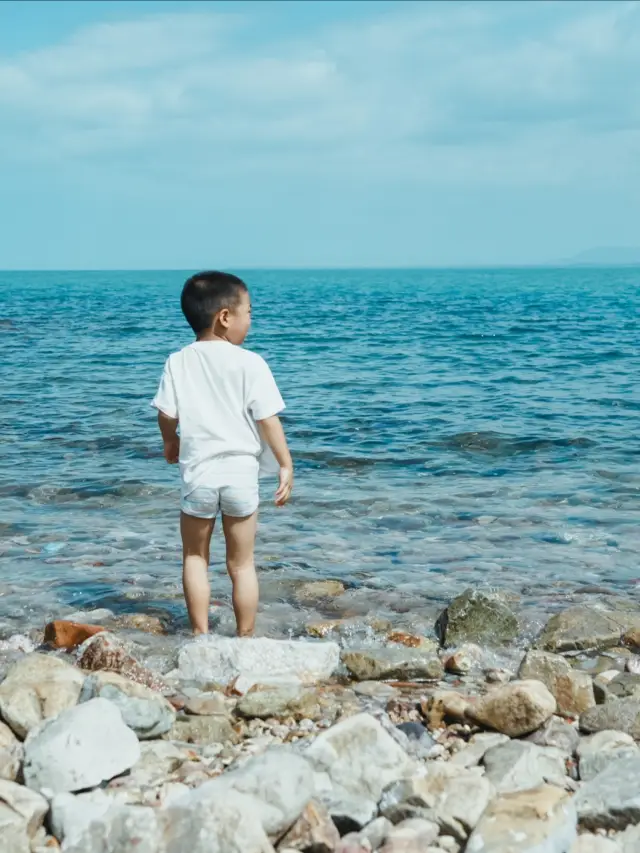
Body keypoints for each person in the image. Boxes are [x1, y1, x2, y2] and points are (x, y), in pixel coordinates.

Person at [152, 271, 293, 636]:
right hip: (240, 476)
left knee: (195, 558)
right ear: (225, 317)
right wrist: (285, 463)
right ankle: (245, 637)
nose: (251, 320)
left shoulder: (178, 361)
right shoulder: (251, 363)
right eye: (248, 312)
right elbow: (268, 420)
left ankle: (200, 635)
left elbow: (166, 414)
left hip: (198, 475)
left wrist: (171, 442)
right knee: (242, 565)